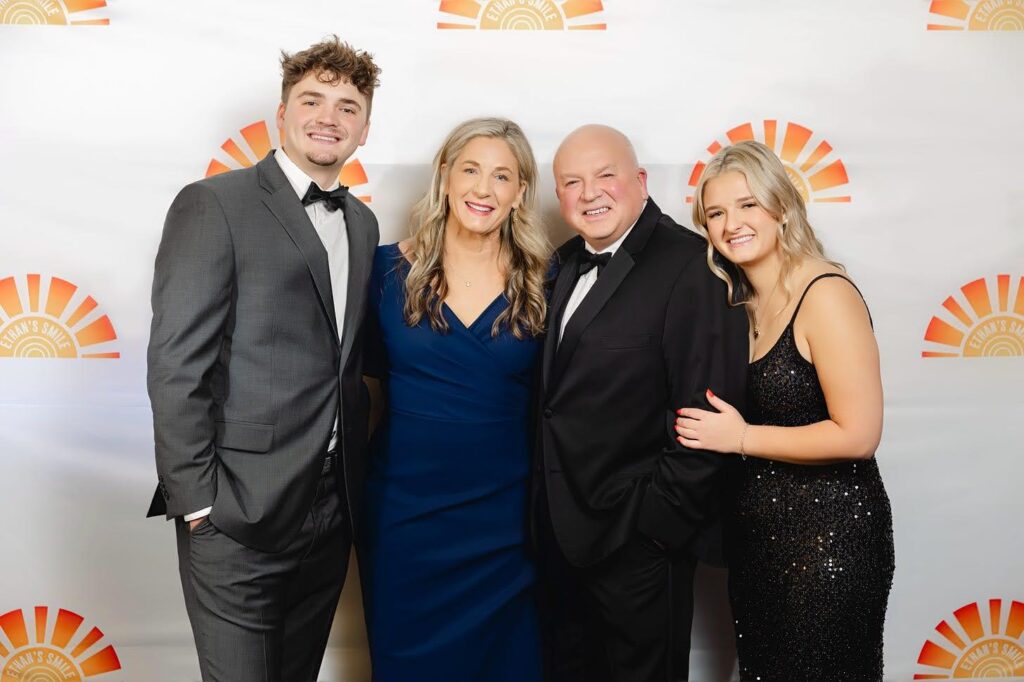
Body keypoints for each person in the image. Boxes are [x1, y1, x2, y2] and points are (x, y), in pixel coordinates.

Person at [146, 37, 381, 681]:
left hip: (332, 511)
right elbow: (176, 363)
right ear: (281, 114)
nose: (329, 116)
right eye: (312, 100)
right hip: (235, 511)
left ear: (365, 127)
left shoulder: (362, 224)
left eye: (348, 105)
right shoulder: (214, 203)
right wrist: (198, 502)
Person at [534, 124, 748, 682]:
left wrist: (654, 529)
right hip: (559, 538)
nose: (590, 192)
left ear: (641, 181)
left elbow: (708, 417)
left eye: (606, 175)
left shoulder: (690, 265)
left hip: (638, 544)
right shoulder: (559, 265)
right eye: (572, 182)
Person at [677, 140, 894, 681]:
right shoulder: (739, 302)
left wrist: (742, 438)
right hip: (758, 547)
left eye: (747, 205)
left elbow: (859, 434)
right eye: (717, 213)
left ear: (781, 206)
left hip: (830, 544)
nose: (732, 224)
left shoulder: (824, 293)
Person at [359, 117, 548, 680]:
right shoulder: (383, 269)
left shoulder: (545, 280)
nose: (483, 190)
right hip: (405, 519)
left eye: (501, 176)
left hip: (508, 524)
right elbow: (352, 388)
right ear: (444, 176)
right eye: (470, 170)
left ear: (519, 193)